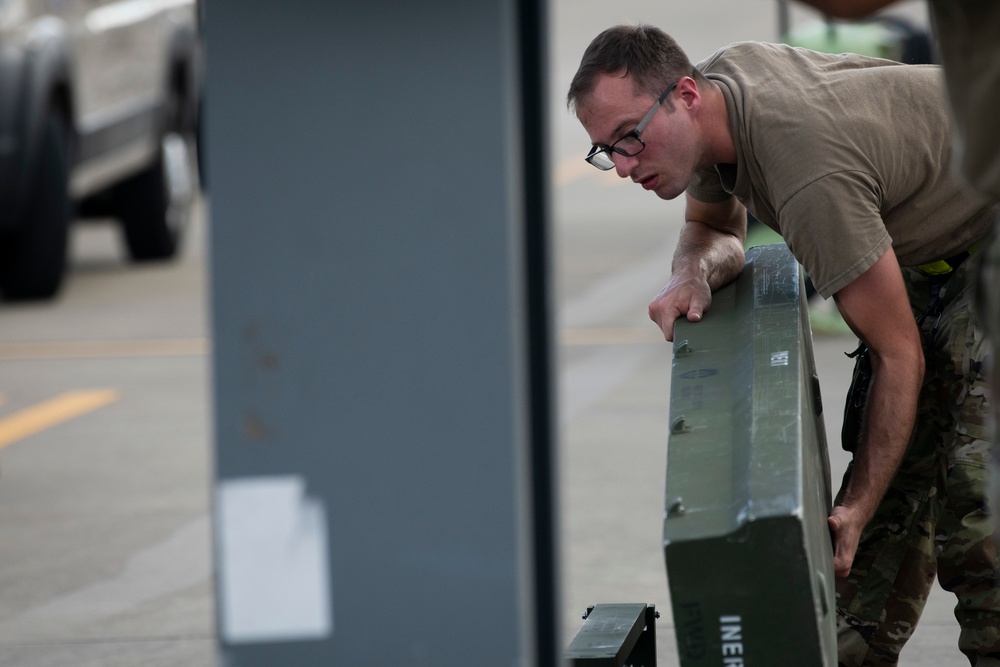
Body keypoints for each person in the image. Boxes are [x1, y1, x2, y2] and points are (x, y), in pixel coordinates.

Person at [566, 24, 1000, 666]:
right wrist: (691, 270)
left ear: (685, 94)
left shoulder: (806, 175)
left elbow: (899, 354)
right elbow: (712, 225)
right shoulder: (717, 105)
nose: (625, 165)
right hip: (937, 237)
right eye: (606, 150)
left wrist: (853, 504)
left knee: (976, 511)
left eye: (630, 136)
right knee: (879, 521)